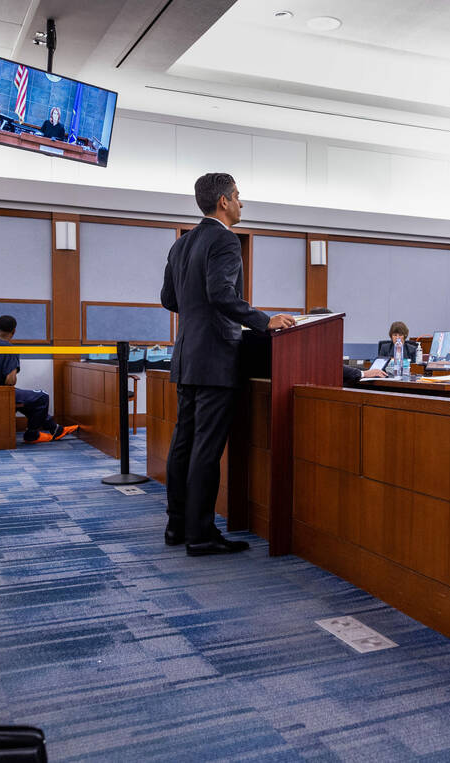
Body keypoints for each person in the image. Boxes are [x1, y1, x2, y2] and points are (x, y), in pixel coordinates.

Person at [160, 172, 296, 556]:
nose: (241, 203)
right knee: (206, 447)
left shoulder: (182, 244)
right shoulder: (224, 240)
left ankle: (177, 527)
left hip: (186, 354)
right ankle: (201, 535)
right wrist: (263, 320)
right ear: (223, 201)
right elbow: (221, 294)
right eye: (238, 196)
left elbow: (170, 298)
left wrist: (197, 311)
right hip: (216, 356)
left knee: (183, 443)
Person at [0, 315, 77, 443]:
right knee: (42, 396)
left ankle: (55, 429)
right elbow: (10, 381)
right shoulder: (10, 349)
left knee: (28, 399)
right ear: (14, 331)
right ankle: (32, 435)